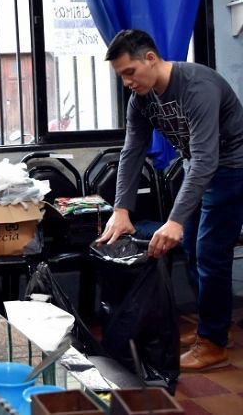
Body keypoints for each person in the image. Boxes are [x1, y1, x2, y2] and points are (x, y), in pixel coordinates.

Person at [98, 29, 243, 372]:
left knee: (209, 252)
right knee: (193, 249)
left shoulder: (197, 86)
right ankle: (215, 328)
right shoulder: (142, 100)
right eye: (121, 77)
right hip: (201, 170)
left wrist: (175, 220)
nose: (127, 83)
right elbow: (132, 152)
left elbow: (208, 159)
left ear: (151, 58)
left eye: (129, 72)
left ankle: (213, 344)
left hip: (233, 169)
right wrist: (121, 210)